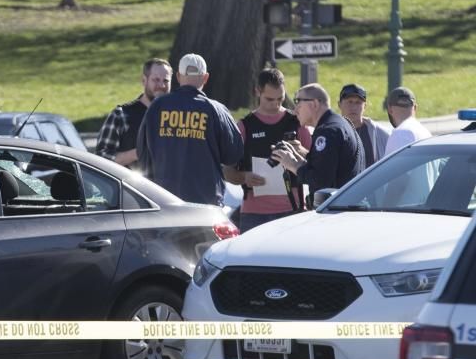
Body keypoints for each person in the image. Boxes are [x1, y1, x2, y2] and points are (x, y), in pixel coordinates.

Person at [136, 53, 244, 206]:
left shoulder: (157, 107)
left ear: (179, 77)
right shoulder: (216, 110)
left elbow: (143, 153)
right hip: (206, 205)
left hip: (164, 202)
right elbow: (234, 155)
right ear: (205, 77)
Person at [224, 68, 312, 232]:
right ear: (257, 91)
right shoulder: (244, 127)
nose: (276, 104)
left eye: (281, 98)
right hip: (254, 215)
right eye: (270, 99)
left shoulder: (297, 123)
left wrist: (300, 152)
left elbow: (315, 165)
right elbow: (227, 171)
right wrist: (244, 176)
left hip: (292, 212)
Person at [271, 83, 365, 204]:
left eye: (298, 103)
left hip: (336, 213)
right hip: (346, 207)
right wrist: (297, 156)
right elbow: (329, 169)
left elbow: (320, 180)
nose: (295, 111)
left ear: (314, 104)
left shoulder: (327, 131)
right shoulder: (341, 124)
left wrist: (293, 164)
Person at [95, 58, 173, 168]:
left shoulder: (176, 117)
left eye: (166, 81)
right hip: (130, 184)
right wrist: (138, 152)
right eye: (156, 80)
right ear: (144, 81)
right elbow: (100, 160)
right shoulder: (121, 115)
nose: (161, 85)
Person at [338, 83, 388, 167]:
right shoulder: (332, 132)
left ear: (365, 106)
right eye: (349, 102)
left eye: (358, 103)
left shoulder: (379, 133)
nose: (353, 107)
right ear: (339, 104)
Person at [383, 86, 431, 156]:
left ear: (390, 109)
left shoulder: (400, 134)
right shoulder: (426, 132)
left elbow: (395, 166)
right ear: (415, 108)